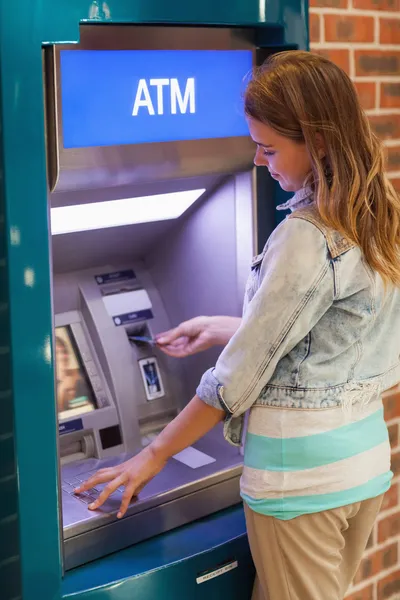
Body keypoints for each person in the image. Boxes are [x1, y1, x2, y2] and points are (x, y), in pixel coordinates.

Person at [75, 51, 400, 599]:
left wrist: (151, 456)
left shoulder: (307, 234)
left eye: (269, 147)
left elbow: (234, 381)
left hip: (300, 483)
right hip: (359, 468)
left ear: (317, 142)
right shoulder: (376, 212)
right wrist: (225, 326)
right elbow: (334, 334)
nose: (256, 160)